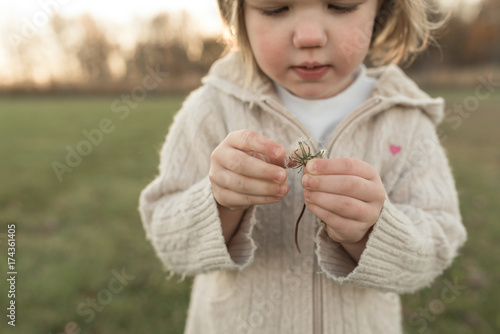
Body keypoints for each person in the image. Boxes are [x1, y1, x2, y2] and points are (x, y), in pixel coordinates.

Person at [139, 0, 467, 333]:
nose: (309, 37)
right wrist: (219, 202)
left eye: (341, 6)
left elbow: (437, 245)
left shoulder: (405, 120)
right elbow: (169, 243)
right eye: (275, 9)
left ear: (381, 9)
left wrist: (372, 231)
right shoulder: (211, 109)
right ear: (237, 14)